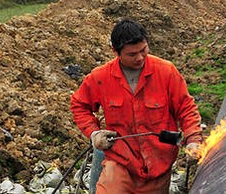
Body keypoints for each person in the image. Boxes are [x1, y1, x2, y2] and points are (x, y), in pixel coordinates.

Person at [71, 18, 202, 193]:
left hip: (158, 165)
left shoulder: (166, 72)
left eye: (143, 50)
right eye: (132, 54)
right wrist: (94, 133)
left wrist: (193, 139)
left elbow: (186, 108)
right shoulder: (100, 78)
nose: (140, 58)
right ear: (116, 52)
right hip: (120, 162)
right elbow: (79, 105)